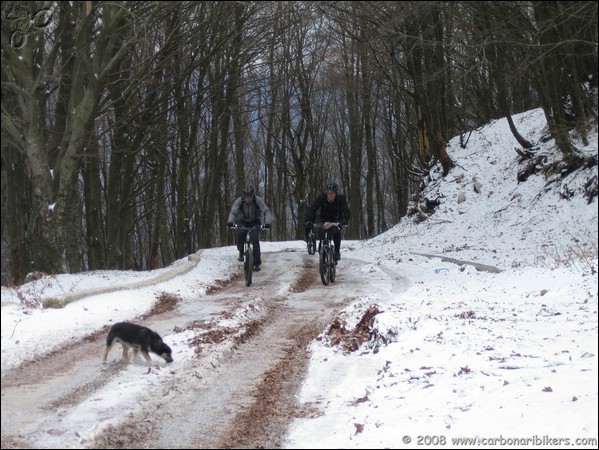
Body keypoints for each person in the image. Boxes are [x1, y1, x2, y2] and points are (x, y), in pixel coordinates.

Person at [227, 185, 273, 271]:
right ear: (243, 196)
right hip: (242, 222)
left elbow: (266, 211)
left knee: (254, 239)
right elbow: (233, 212)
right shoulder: (239, 201)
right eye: (246, 197)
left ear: (253, 195)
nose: (248, 199)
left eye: (250, 197)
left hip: (254, 222)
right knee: (240, 235)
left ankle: (256, 263)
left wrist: (267, 223)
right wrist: (230, 222)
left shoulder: (258, 201)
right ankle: (241, 251)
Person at [303, 181, 350, 262]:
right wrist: (307, 220)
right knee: (322, 233)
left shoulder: (340, 199)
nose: (330, 195)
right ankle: (322, 249)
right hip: (323, 219)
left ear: (335, 193)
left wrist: (344, 220)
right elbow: (313, 209)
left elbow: (346, 211)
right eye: (329, 193)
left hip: (336, 219)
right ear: (326, 193)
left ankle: (337, 252)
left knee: (336, 232)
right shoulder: (322, 198)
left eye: (332, 193)